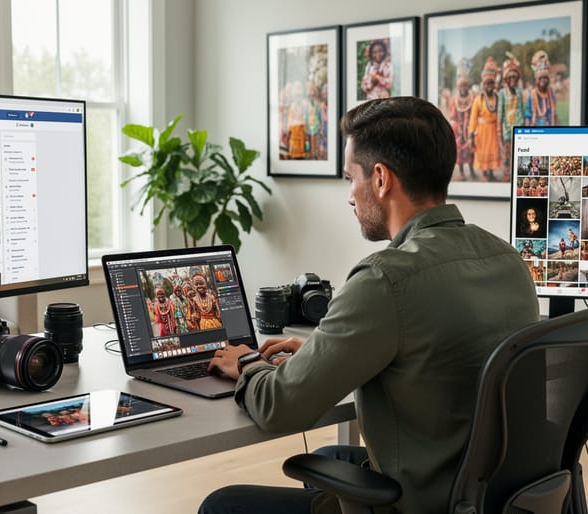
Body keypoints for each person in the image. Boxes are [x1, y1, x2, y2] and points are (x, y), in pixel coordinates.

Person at [199, 97, 539, 514]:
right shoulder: (507, 259)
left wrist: (248, 362)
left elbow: (278, 409)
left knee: (222, 504)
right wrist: (323, 355)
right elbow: (438, 356)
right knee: (329, 460)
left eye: (349, 179)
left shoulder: (384, 278)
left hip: (420, 502)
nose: (349, 196)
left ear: (380, 179)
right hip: (488, 493)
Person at [469, 57, 500, 182]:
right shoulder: (478, 100)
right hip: (482, 132)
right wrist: (471, 134)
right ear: (483, 84)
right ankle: (484, 173)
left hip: (493, 130)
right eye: (486, 83)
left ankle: (491, 173)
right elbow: (473, 118)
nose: (489, 86)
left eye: (491, 83)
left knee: (493, 151)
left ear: (494, 84)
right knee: (482, 152)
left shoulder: (498, 98)